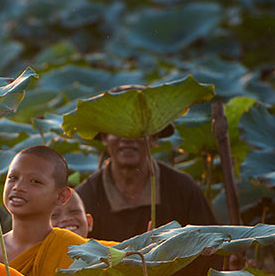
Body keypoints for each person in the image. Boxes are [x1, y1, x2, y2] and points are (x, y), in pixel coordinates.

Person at [75, 87, 216, 242]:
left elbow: (211, 246)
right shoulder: (84, 198)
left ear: (154, 137)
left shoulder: (183, 189)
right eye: (118, 128)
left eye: (136, 129)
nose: (127, 138)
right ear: (104, 137)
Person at [0, 145, 89, 276]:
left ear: (61, 196)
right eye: (13, 177)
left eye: (35, 181)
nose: (18, 187)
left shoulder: (76, 255)